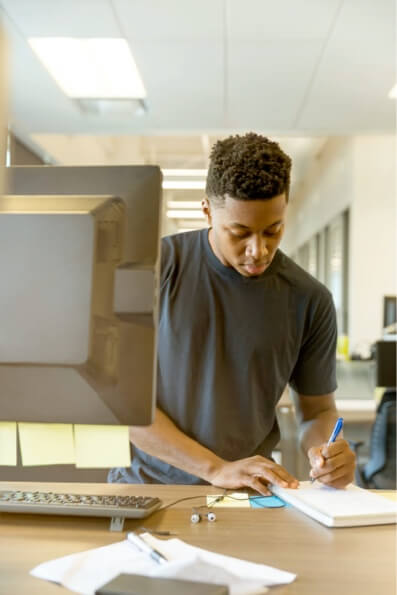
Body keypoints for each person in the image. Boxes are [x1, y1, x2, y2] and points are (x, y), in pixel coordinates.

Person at [109, 132, 356, 494]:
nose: (259, 250)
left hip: (248, 493)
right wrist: (214, 468)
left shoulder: (309, 299)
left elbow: (318, 412)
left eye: (273, 231)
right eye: (240, 233)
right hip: (147, 489)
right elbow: (120, 403)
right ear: (207, 210)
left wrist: (327, 453)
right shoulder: (153, 270)